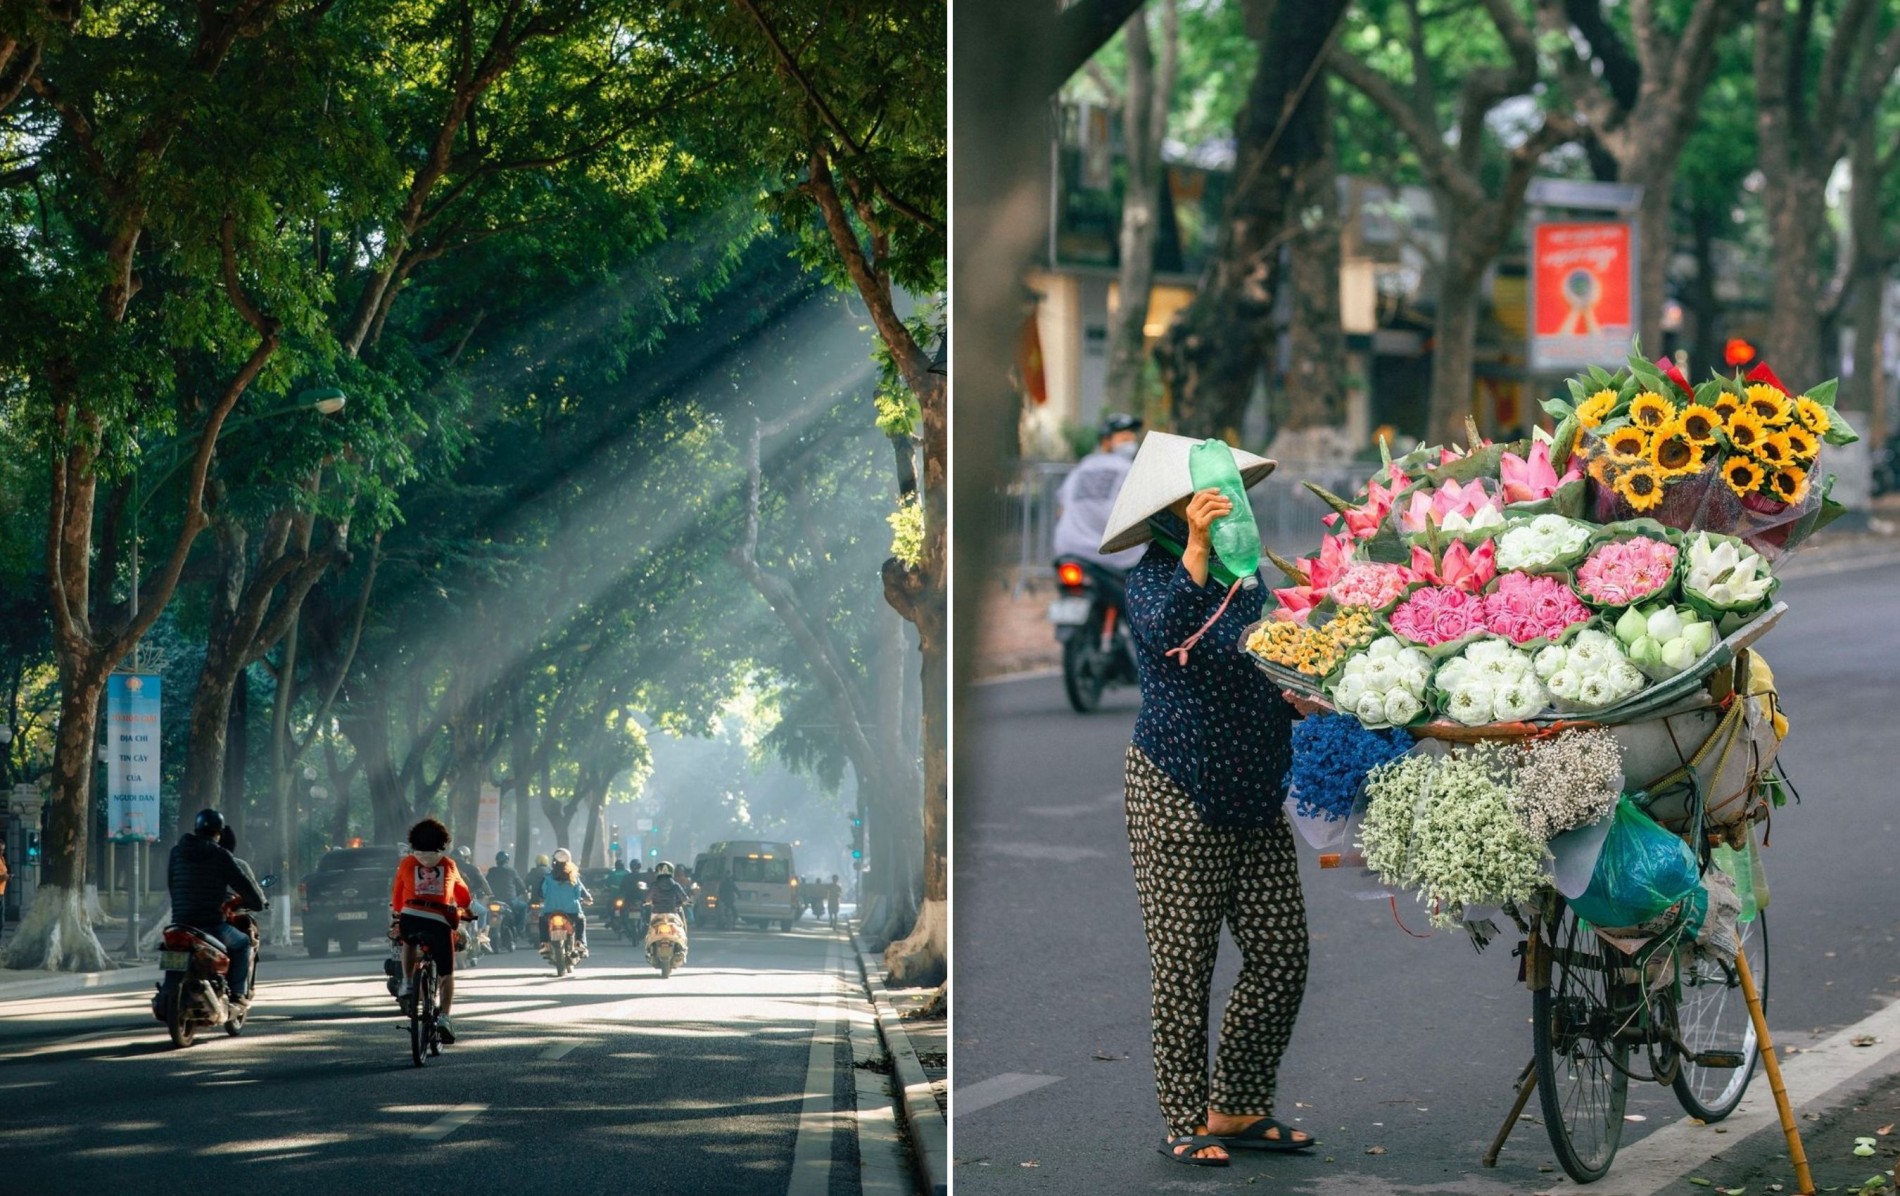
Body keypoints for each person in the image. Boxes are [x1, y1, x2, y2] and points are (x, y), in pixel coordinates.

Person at [1096, 431, 1316, 1167]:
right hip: (1177, 791)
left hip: (1254, 793)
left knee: (1282, 955)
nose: (1223, 512)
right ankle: (1185, 1118)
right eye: (1202, 503)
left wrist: (1304, 695)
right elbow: (1167, 635)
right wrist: (1193, 546)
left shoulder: (1248, 580)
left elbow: (1264, 664)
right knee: (1184, 965)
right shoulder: (1157, 575)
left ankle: (1239, 1107)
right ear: (1176, 511)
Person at [167, 810, 265, 1007]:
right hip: (210, 924)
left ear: (196, 829)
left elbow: (172, 884)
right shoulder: (220, 855)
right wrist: (257, 903)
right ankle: (237, 994)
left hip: (179, 923)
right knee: (243, 944)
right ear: (219, 832)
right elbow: (244, 886)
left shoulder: (176, 852)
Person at [389, 818, 473, 1044]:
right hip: (440, 920)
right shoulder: (448, 864)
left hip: (411, 917)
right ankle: (444, 1017)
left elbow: (397, 894)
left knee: (408, 941)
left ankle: (407, 982)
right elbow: (463, 895)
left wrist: (398, 912)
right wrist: (465, 907)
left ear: (414, 840)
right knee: (446, 973)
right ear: (442, 841)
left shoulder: (407, 863)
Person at [1052, 413, 1146, 571]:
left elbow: (1061, 508)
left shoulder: (1083, 467)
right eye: (1124, 439)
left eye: (1132, 438)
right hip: (1116, 556)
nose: (1131, 442)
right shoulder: (1128, 469)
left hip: (1069, 547)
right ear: (1106, 441)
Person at [537, 849, 591, 955]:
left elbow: (541, 893)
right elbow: (580, 893)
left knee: (542, 920)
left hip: (550, 911)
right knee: (581, 920)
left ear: (553, 862)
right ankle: (579, 942)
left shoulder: (547, 878)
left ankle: (544, 943)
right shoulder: (574, 877)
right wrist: (587, 899)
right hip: (572, 912)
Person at [455, 846, 493, 949]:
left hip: (447, 904)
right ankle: (479, 935)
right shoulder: (471, 869)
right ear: (467, 857)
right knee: (483, 912)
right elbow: (483, 883)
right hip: (466, 902)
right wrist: (490, 894)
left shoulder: (445, 869)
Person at [486, 851, 529, 934]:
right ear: (507, 860)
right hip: (510, 901)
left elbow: (486, 883)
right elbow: (521, 886)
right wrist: (523, 890)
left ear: (497, 860)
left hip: (494, 901)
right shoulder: (512, 871)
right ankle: (519, 929)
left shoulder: (491, 871)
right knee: (524, 906)